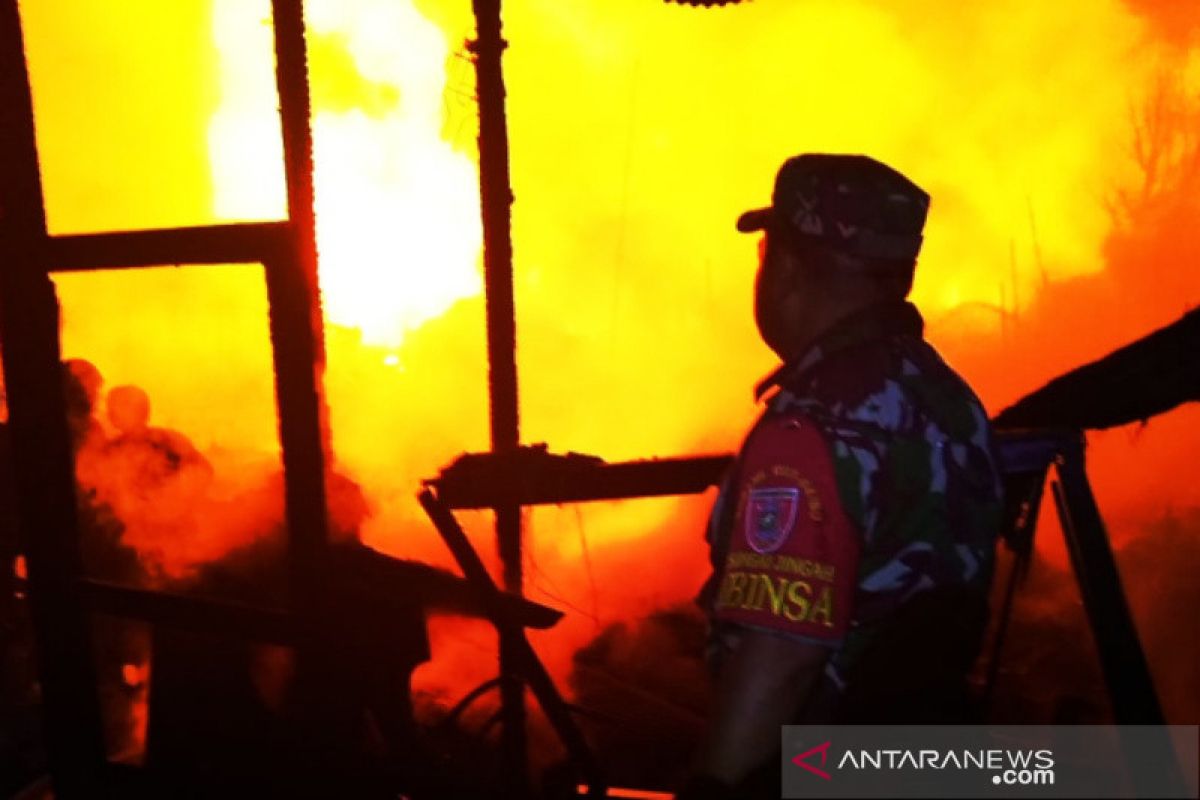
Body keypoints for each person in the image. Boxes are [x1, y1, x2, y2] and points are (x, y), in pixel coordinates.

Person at [682, 154, 1004, 798]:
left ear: (789, 268)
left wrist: (715, 785)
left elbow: (781, 654)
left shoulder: (811, 426)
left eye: (766, 254)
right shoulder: (949, 399)